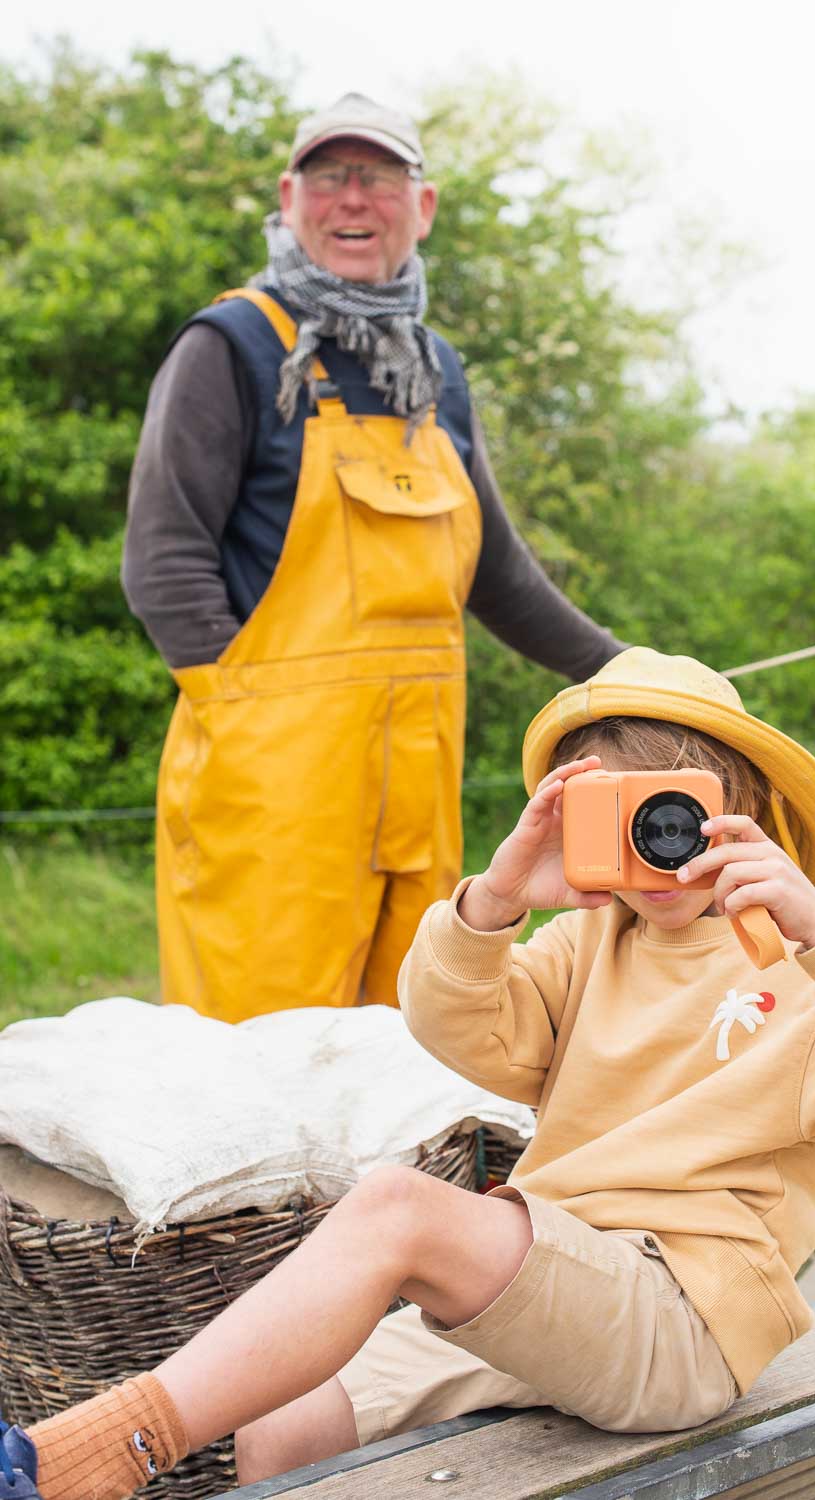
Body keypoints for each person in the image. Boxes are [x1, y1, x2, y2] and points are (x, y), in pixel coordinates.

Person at [5, 648, 815, 1500]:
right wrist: (495, 898)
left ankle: (96, 1451)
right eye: (613, 817)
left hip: (681, 1316)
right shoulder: (583, 944)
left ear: (739, 807)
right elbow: (458, 1029)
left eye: (673, 812)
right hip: (554, 1284)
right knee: (283, 1432)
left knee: (398, 1208)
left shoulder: (804, 970)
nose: (653, 846)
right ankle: (117, 1447)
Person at [121, 91, 624, 1023]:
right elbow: (161, 562)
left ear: (420, 205)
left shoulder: (434, 371)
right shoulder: (229, 347)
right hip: (271, 789)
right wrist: (248, 719)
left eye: (380, 177)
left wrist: (626, 670)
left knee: (407, 1044)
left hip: (416, 785)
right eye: (329, 175)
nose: (353, 198)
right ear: (289, 196)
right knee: (261, 1051)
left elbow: (497, 573)